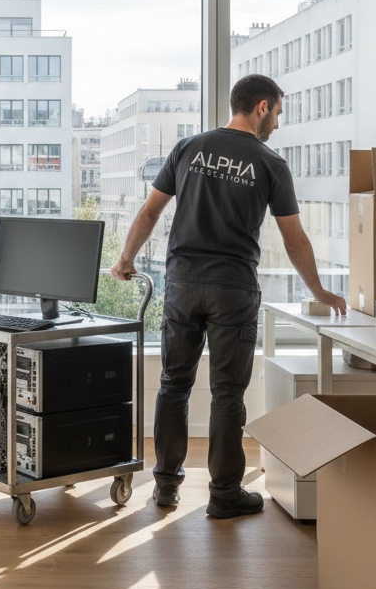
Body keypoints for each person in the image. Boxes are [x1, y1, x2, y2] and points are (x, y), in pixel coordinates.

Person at [111, 74, 345, 519]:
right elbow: (294, 240)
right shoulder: (270, 163)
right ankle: (224, 495)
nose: (277, 122)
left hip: (181, 283)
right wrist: (318, 290)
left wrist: (125, 259)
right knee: (227, 394)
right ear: (261, 107)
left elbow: (149, 211)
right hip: (233, 288)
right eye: (276, 112)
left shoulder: (187, 148)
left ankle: (165, 486)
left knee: (173, 385)